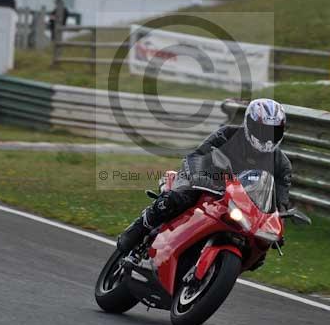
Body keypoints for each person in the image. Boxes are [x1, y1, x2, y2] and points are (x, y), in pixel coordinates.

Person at [118, 98, 292, 253]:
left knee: (261, 245)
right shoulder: (228, 134)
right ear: (249, 124)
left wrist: (278, 225)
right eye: (262, 130)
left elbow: (280, 201)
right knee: (179, 197)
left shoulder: (281, 164)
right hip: (205, 180)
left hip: (239, 202)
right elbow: (198, 155)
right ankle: (140, 227)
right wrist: (198, 176)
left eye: (273, 132)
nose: (267, 138)